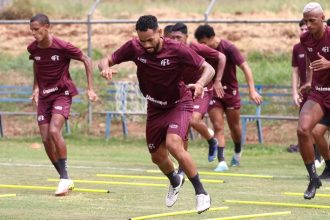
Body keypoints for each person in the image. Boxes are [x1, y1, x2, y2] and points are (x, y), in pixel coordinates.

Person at [98, 15, 214, 213]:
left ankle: (201, 193)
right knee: (157, 157)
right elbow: (106, 59)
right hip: (154, 107)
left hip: (179, 103)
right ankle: (175, 181)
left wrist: (201, 84)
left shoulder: (176, 49)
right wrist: (105, 68)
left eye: (150, 40)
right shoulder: (134, 47)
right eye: (142, 41)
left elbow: (208, 68)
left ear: (160, 33)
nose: (146, 45)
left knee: (173, 144)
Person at [27, 13, 98, 196]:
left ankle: (64, 178)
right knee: (45, 139)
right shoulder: (33, 48)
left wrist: (90, 88)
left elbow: (87, 59)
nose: (34, 34)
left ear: (47, 27)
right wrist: (35, 88)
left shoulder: (62, 45)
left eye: (36, 30)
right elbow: (36, 64)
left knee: (53, 131)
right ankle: (64, 177)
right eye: (31, 30)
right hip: (44, 97)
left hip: (62, 93)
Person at [194, 24, 262, 172]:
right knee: (218, 126)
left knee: (235, 128)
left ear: (212, 38)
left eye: (205, 43)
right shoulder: (202, 51)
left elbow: (246, 68)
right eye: (200, 44)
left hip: (230, 93)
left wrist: (252, 90)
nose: (203, 46)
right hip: (213, 93)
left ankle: (237, 152)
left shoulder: (228, 48)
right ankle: (222, 161)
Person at [170, 22, 226, 169]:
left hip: (202, 89)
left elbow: (221, 57)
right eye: (172, 37)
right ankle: (182, 167)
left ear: (186, 37)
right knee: (184, 130)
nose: (175, 40)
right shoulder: (169, 50)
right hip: (184, 91)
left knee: (193, 120)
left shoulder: (196, 47)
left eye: (178, 37)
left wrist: (218, 80)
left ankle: (211, 139)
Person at [298, 2, 330, 199]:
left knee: (318, 132)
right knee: (303, 130)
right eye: (306, 21)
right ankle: (313, 178)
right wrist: (309, 81)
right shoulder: (305, 38)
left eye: (312, 21)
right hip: (320, 92)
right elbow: (311, 62)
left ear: (323, 19)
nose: (308, 25)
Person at [289, 19, 323, 168]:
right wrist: (295, 91)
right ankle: (315, 159)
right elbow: (295, 70)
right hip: (307, 91)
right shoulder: (297, 48)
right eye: (301, 29)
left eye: (306, 29)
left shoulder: (320, 43)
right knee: (305, 128)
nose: (304, 31)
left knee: (318, 128)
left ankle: (320, 157)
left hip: (321, 91)